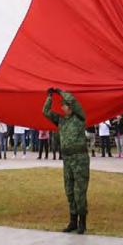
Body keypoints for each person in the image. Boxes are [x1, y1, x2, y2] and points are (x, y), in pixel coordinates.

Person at [43, 87, 90, 234]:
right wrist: (50, 97)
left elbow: (73, 100)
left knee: (79, 191)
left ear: (70, 107)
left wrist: (59, 91)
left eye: (64, 105)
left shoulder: (79, 117)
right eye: (62, 105)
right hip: (67, 159)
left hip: (80, 159)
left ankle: (82, 223)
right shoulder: (61, 120)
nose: (62, 107)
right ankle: (73, 221)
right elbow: (45, 112)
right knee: (69, 191)